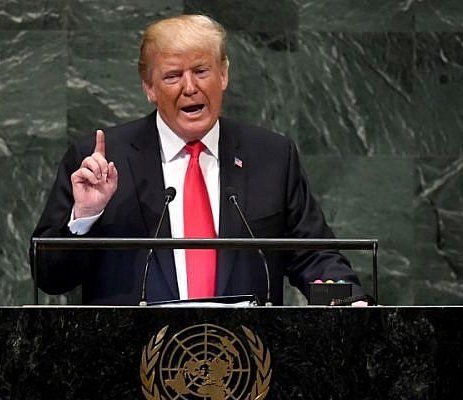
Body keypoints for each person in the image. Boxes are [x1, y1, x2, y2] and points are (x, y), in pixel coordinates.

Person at [30, 14, 366, 305]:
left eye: (202, 71)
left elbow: (316, 257)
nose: (190, 87)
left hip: (243, 367)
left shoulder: (271, 156)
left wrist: (347, 303)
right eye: (173, 76)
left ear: (223, 75)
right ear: (149, 87)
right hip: (132, 366)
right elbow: (50, 279)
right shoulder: (100, 159)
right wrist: (86, 217)